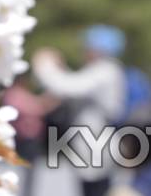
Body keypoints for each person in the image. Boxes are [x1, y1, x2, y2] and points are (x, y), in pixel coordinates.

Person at [33, 25, 128, 196]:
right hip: (91, 142)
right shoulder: (101, 70)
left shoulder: (105, 69)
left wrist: (45, 65)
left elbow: (70, 87)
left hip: (96, 142)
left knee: (96, 190)